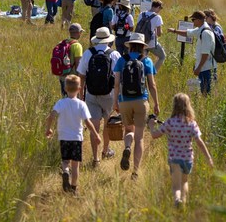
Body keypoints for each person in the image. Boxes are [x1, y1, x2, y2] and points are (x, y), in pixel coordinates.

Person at [148, 93, 213, 207]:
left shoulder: (170, 122)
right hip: (187, 159)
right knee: (185, 181)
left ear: (174, 106)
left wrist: (152, 125)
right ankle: (183, 202)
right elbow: (199, 142)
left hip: (174, 159)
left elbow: (154, 135)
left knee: (176, 186)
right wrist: (208, 157)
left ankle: (177, 199)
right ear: (188, 106)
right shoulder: (191, 123)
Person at [113, 32, 160, 180]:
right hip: (141, 101)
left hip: (124, 100)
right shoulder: (147, 61)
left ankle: (127, 147)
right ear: (142, 47)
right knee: (139, 138)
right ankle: (135, 171)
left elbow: (116, 84)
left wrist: (115, 102)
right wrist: (156, 103)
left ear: (130, 45)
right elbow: (152, 85)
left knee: (128, 130)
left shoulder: (121, 60)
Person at [46, 75, 101, 195]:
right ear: (79, 89)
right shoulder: (81, 104)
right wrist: (96, 134)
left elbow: (51, 115)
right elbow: (88, 122)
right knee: (75, 166)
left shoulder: (61, 103)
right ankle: (74, 189)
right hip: (76, 139)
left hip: (64, 137)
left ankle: (65, 171)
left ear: (65, 88)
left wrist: (48, 129)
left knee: (65, 161)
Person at [77, 27, 121, 168]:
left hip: (91, 94)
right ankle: (105, 150)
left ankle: (95, 158)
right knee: (107, 124)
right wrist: (118, 97)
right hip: (109, 95)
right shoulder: (115, 55)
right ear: (109, 40)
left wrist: (80, 95)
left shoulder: (88, 53)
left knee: (94, 127)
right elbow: (119, 78)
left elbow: (81, 76)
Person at [168, 10, 215, 95]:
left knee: (206, 93)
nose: (192, 22)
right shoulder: (201, 29)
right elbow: (188, 33)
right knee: (203, 92)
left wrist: (199, 68)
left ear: (199, 20)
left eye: (193, 19)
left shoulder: (205, 33)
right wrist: (174, 31)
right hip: (204, 67)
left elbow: (205, 54)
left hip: (206, 68)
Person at [136, 0, 166, 71]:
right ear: (158, 7)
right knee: (162, 57)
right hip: (151, 43)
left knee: (142, 59)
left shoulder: (141, 14)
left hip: (140, 42)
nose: (160, 11)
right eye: (160, 9)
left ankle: (141, 74)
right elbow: (159, 34)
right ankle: (152, 73)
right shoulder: (157, 17)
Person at [59, 23, 84, 97]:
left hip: (62, 76)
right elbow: (78, 65)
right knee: (74, 100)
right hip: (72, 78)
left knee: (64, 98)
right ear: (78, 32)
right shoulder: (77, 45)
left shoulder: (62, 43)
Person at [204, 8, 225, 81]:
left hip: (215, 53)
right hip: (210, 52)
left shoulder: (216, 27)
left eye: (205, 17)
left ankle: (213, 87)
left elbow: (217, 38)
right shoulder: (210, 25)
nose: (205, 19)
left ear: (210, 17)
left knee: (212, 72)